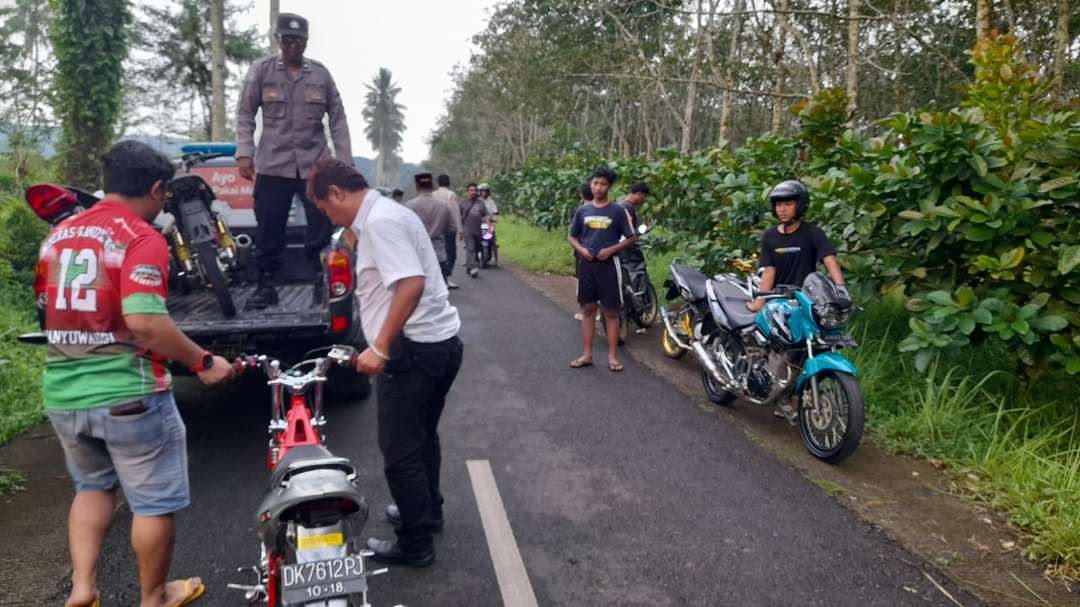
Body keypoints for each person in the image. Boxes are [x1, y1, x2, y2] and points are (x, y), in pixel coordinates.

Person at [39, 141, 234, 607]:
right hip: (129, 392)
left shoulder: (59, 235)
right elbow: (145, 321)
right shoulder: (141, 236)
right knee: (153, 503)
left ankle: (84, 589)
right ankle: (155, 597)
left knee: (91, 487)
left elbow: (46, 310)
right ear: (155, 189)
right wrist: (203, 363)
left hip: (63, 391)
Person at [306, 159, 462, 568]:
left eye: (326, 208)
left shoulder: (380, 222)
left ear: (336, 193)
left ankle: (416, 543)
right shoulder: (388, 215)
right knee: (423, 437)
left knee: (399, 453)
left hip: (412, 352)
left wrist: (380, 348)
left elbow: (411, 283)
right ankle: (427, 513)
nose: (328, 216)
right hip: (439, 344)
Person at [235, 12, 352, 310]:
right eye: (286, 40)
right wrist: (244, 152)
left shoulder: (321, 75)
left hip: (316, 167)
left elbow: (338, 120)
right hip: (273, 166)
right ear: (278, 40)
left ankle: (318, 281)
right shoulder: (261, 71)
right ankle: (266, 287)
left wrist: (345, 163)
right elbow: (245, 113)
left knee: (320, 228)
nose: (292, 46)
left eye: (298, 41)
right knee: (269, 229)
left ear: (306, 42)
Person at [746, 179, 850, 421]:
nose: (782, 209)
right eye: (778, 204)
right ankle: (773, 388)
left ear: (800, 206)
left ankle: (793, 397)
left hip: (808, 300)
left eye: (788, 204)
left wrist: (841, 289)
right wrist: (760, 300)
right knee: (778, 348)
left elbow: (829, 260)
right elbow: (769, 272)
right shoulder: (770, 237)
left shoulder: (813, 233)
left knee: (810, 346)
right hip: (778, 300)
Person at [568, 167, 636, 372]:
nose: (598, 187)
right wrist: (581, 250)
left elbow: (632, 238)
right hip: (586, 267)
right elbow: (571, 236)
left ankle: (612, 357)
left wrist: (611, 250)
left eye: (603, 184)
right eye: (595, 183)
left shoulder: (617, 210)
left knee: (610, 312)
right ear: (591, 184)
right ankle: (587, 355)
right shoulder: (582, 211)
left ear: (609, 186)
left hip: (609, 267)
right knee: (588, 309)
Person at [405, 173, 453, 283]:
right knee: (440, 291)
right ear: (432, 186)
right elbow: (451, 228)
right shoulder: (444, 205)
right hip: (439, 254)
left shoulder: (410, 206)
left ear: (417, 187)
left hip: (418, 256)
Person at [433, 175, 462, 289]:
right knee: (451, 254)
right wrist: (460, 229)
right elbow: (455, 213)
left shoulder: (433, 195)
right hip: (449, 229)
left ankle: (442, 279)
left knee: (438, 254)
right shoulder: (451, 195)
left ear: (438, 183)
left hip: (435, 229)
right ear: (449, 183)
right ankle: (445, 277)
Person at [459, 183, 490, 278]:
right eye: (471, 190)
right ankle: (473, 268)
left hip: (479, 230)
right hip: (467, 229)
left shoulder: (481, 203)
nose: (473, 192)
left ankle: (469, 266)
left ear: (477, 192)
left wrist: (488, 224)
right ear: (467, 192)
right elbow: (458, 216)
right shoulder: (463, 203)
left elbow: (486, 214)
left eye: (474, 190)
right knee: (470, 249)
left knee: (478, 249)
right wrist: (460, 230)